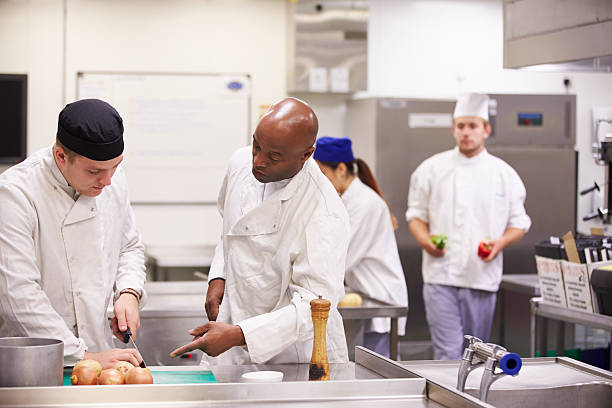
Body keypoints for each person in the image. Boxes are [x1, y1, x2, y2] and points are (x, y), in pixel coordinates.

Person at [170, 98, 350, 364]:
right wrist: (218, 276)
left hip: (294, 353)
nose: (258, 161)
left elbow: (315, 308)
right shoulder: (240, 163)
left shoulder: (323, 211)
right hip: (233, 332)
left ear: (306, 155)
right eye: (256, 145)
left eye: (274, 156)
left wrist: (239, 334)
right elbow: (229, 228)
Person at [0, 99, 146, 368]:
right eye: (95, 171)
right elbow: (17, 293)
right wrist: (82, 356)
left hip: (101, 354)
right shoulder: (16, 193)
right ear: (61, 156)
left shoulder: (112, 178)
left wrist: (129, 292)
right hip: (35, 360)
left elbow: (129, 247)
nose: (107, 181)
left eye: (115, 167)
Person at [405, 93, 531, 360]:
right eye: (460, 126)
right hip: (440, 276)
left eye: (472, 126)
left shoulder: (503, 174)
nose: (466, 132)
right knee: (448, 354)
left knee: (478, 354)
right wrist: (425, 241)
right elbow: (415, 216)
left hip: (481, 277)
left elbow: (519, 224)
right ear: (453, 129)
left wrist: (500, 243)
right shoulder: (431, 169)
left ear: (486, 130)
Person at [313, 136, 408, 358]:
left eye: (323, 174)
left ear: (342, 169)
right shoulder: (347, 199)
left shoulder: (364, 203)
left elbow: (343, 256)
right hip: (365, 295)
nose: (320, 183)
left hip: (380, 296)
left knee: (379, 373)